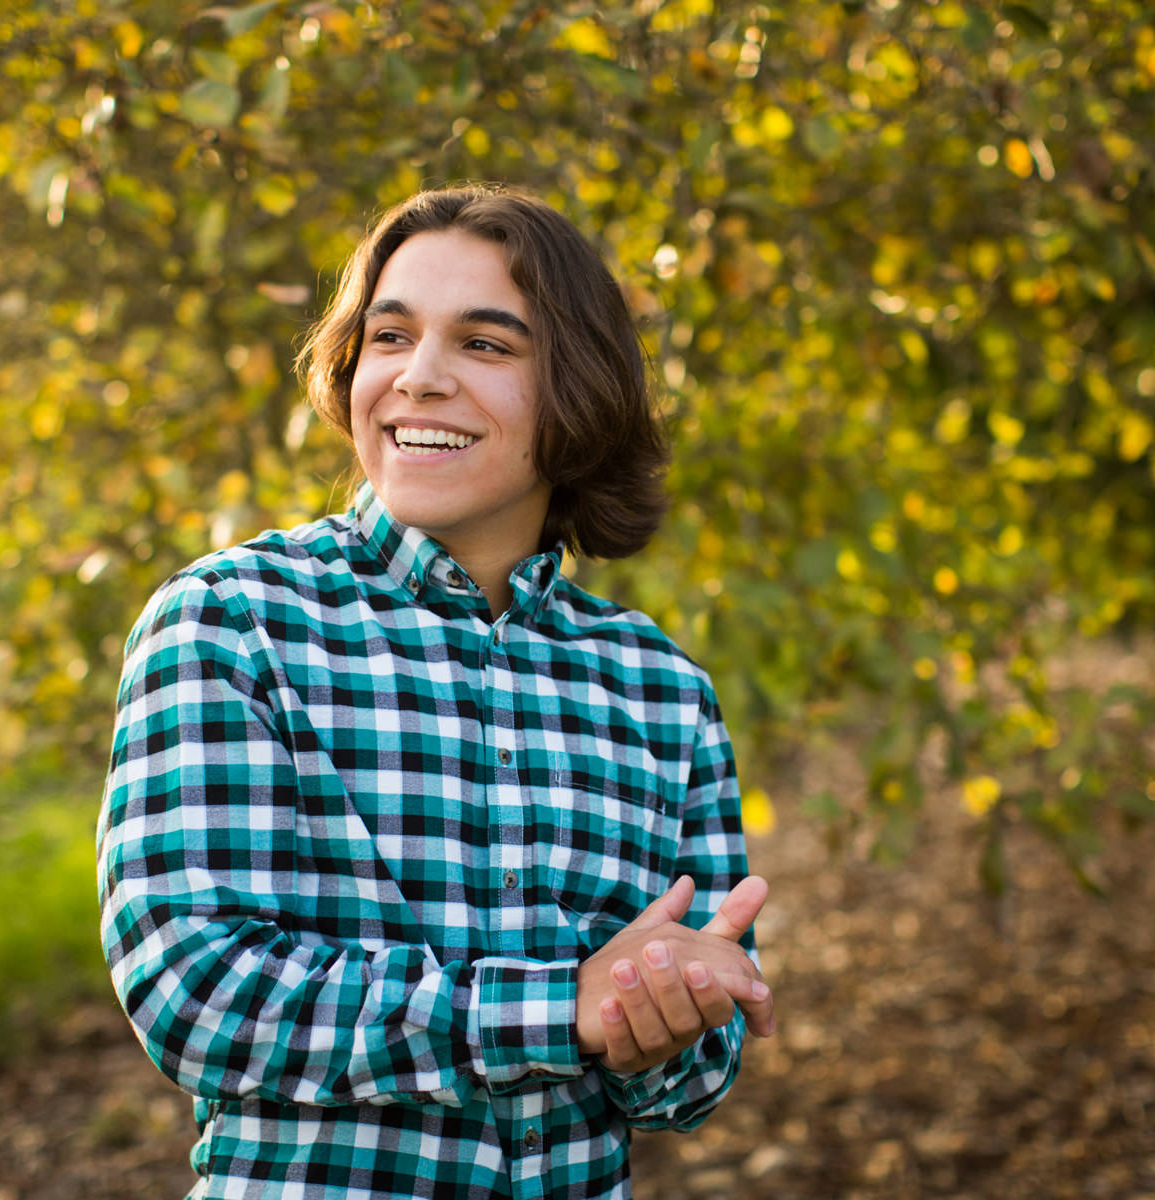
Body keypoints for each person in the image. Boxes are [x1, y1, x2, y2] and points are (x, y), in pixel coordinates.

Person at [96, 184, 774, 1200]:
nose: (420, 378)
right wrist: (560, 1010)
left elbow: (694, 1079)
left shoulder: (657, 686)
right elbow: (197, 993)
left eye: (486, 345)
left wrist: (658, 1016)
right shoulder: (236, 622)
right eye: (390, 336)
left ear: (578, 386)